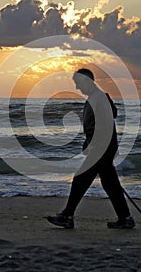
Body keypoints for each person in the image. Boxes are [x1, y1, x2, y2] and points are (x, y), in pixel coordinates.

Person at [47, 68, 135, 229]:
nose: (77, 88)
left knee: (82, 180)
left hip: (100, 150)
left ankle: (67, 216)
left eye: (78, 83)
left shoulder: (99, 98)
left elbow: (106, 125)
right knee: (110, 184)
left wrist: (96, 146)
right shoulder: (98, 98)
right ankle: (125, 218)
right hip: (102, 149)